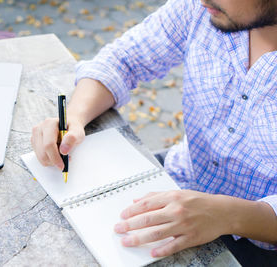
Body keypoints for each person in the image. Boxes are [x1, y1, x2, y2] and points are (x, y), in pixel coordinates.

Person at [30, 0, 277, 265]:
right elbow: (123, 60)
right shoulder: (199, 8)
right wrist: (75, 117)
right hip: (179, 177)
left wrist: (229, 215)